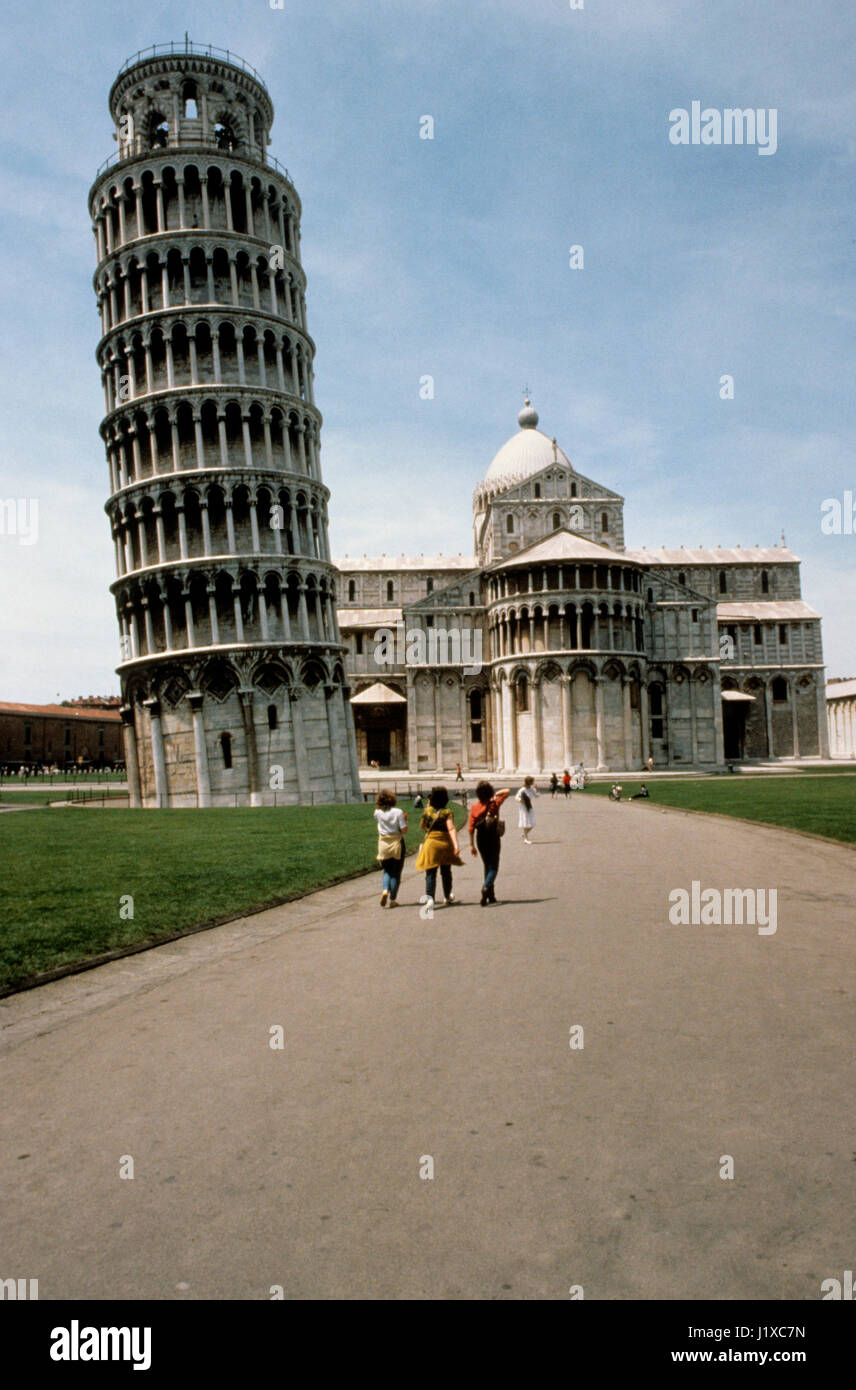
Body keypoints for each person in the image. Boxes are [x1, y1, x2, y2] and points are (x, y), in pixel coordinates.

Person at [414, 786, 463, 909]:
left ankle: (430, 899)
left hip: (431, 843)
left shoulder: (428, 811)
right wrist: (456, 845)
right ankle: (447, 896)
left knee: (430, 873)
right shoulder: (447, 812)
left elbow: (423, 826)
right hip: (445, 842)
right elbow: (451, 828)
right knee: (446, 872)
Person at [468, 781, 511, 906]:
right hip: (493, 836)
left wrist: (471, 845)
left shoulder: (475, 807)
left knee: (487, 864)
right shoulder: (494, 804)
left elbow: (471, 829)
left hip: (480, 837)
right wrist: (495, 794)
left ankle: (491, 896)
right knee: (494, 866)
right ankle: (486, 887)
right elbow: (507, 791)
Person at [374, 791, 408, 908]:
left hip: (383, 843)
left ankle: (384, 890)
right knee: (396, 873)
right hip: (396, 843)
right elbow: (404, 830)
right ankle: (392, 899)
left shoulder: (377, 813)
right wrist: (405, 820)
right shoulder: (398, 812)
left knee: (386, 870)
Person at [515, 776, 539, 843]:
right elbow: (516, 797)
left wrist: (537, 789)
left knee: (532, 823)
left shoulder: (532, 788)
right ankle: (526, 839)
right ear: (529, 782)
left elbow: (537, 796)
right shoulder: (522, 789)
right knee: (525, 822)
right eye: (532, 781)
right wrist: (520, 800)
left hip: (529, 806)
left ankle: (525, 834)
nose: (533, 783)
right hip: (523, 807)